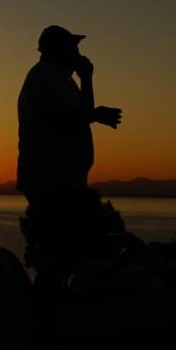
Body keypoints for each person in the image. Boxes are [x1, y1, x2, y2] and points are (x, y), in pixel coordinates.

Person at [17, 25, 122, 322]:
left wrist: (87, 80)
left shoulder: (59, 79)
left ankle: (47, 321)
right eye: (72, 47)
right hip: (52, 178)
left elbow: (80, 114)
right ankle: (44, 325)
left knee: (61, 253)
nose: (78, 53)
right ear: (58, 49)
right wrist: (94, 114)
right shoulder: (45, 77)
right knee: (58, 254)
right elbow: (55, 118)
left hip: (59, 178)